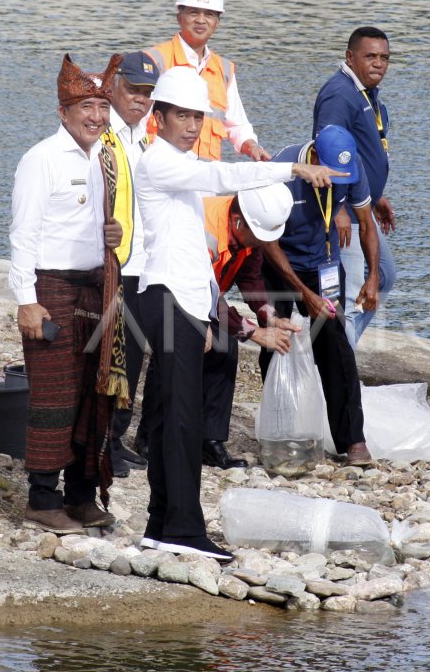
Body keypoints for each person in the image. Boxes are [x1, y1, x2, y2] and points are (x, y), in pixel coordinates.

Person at [134, 67, 341, 562]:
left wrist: (208, 316)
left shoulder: (178, 166)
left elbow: (195, 256)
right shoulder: (160, 162)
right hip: (162, 298)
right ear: (157, 117)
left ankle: (160, 523)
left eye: (196, 116)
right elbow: (222, 175)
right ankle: (181, 529)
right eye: (180, 115)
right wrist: (292, 169)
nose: (189, 124)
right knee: (178, 420)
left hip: (182, 301)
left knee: (170, 417)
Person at [9, 53, 125, 534]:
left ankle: (79, 495)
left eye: (102, 106)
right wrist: (26, 299)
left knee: (93, 393)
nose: (96, 116)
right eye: (86, 107)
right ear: (64, 112)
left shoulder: (104, 157)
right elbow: (22, 234)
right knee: (55, 395)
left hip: (96, 286)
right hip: (52, 287)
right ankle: (41, 497)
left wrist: (114, 232)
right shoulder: (41, 159)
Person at [259, 125, 380, 467]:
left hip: (323, 264)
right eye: (329, 174)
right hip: (277, 262)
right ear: (313, 158)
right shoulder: (283, 170)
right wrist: (303, 293)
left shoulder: (349, 166)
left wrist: (372, 276)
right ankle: (279, 432)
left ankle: (353, 440)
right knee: (276, 340)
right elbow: (265, 241)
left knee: (335, 346)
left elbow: (366, 222)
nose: (335, 182)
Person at [197, 193, 301, 469]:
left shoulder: (251, 231)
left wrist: (270, 316)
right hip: (175, 291)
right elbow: (203, 293)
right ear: (237, 222)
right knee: (176, 349)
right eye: (258, 237)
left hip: (207, 293)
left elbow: (250, 277)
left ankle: (210, 440)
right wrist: (253, 332)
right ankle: (149, 437)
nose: (262, 243)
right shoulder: (205, 226)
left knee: (226, 348)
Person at [312, 26, 396, 345]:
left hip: (362, 205)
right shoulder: (340, 94)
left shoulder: (365, 93)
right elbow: (326, 150)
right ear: (350, 57)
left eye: (384, 57)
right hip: (344, 212)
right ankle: (338, 370)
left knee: (384, 276)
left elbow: (359, 152)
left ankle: (339, 357)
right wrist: (338, 208)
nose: (379, 63)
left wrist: (375, 198)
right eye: (370, 56)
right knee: (347, 296)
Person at [101, 51, 158, 478]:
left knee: (132, 357)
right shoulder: (102, 135)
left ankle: (116, 438)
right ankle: (101, 442)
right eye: (135, 90)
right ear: (114, 87)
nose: (141, 99)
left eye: (148, 93)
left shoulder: (143, 138)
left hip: (140, 263)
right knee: (107, 358)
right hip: (110, 264)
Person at [143, 0, 270, 163]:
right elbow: (134, 126)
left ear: (217, 23)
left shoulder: (224, 69)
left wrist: (253, 147)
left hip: (208, 182)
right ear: (180, 17)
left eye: (209, 14)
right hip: (164, 177)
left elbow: (237, 126)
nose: (201, 20)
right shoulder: (153, 61)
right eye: (194, 13)